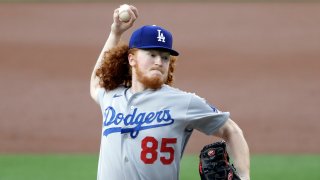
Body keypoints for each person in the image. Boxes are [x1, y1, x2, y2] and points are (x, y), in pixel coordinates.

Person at [90, 4, 250, 180]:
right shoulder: (113, 97)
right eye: (152, 54)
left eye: (165, 57)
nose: (159, 61)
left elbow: (231, 130)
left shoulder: (183, 102)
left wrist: (244, 177)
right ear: (131, 58)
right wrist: (115, 33)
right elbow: (97, 82)